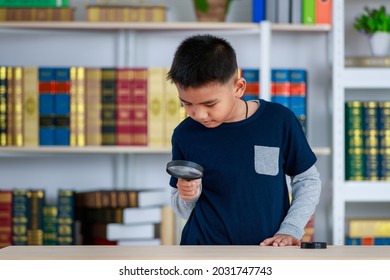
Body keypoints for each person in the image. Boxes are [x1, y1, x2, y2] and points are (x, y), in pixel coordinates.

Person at [167, 34, 321, 246]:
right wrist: (187, 196)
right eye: (187, 104)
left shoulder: (278, 121)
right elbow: (181, 208)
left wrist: (291, 229)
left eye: (210, 104)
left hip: (267, 251)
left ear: (239, 87)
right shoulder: (184, 134)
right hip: (202, 252)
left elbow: (307, 181)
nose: (199, 114)